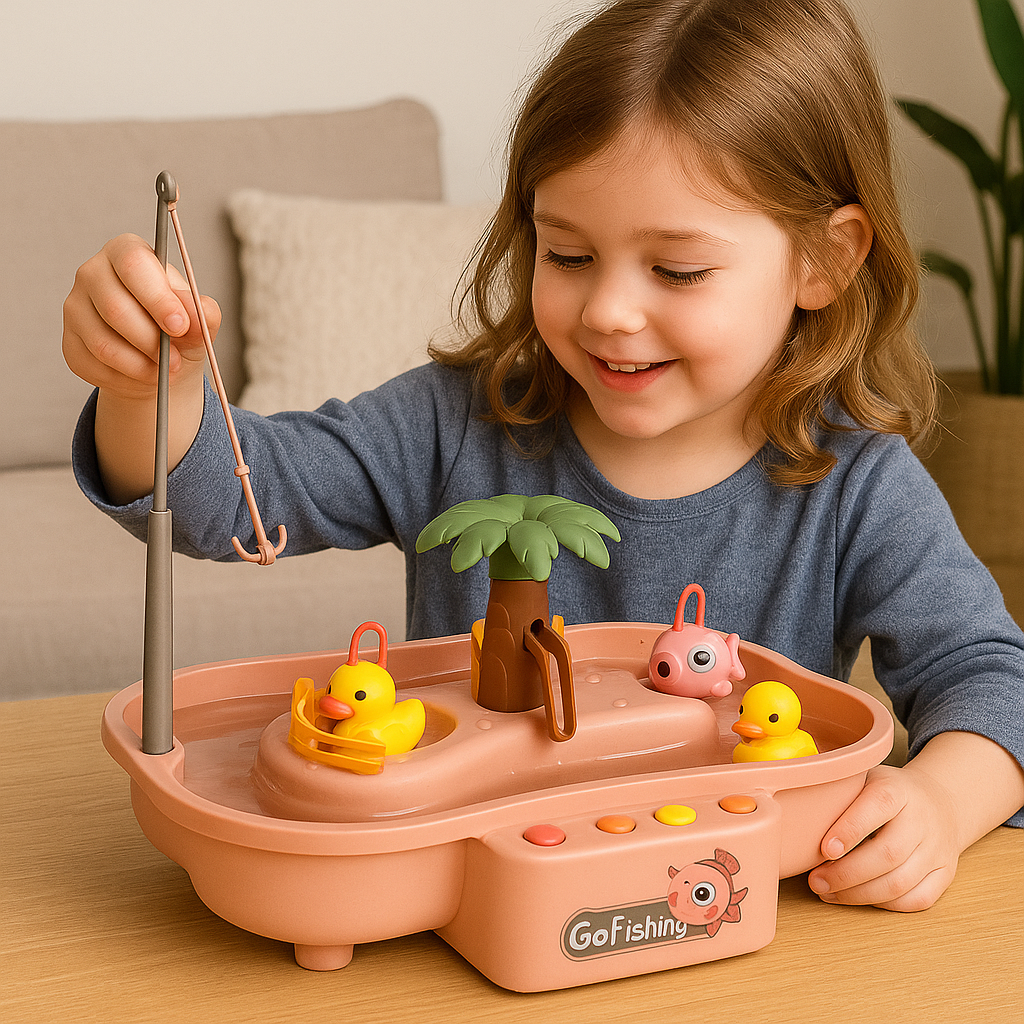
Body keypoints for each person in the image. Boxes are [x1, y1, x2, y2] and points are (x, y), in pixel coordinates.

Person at [63, 0, 1023, 914]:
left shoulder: (858, 490)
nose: (607, 310)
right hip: (446, 923)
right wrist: (152, 391)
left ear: (825, 260)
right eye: (566, 255)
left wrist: (940, 801)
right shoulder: (455, 424)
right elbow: (225, 502)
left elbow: (993, 680)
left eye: (677, 269)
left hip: (729, 923)